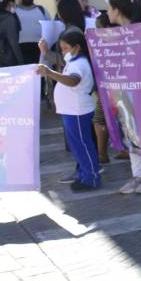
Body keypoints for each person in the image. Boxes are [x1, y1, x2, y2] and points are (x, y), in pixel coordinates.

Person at [106, 0, 141, 195]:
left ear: (117, 10)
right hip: (120, 89)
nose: (108, 13)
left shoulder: (138, 31)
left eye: (110, 9)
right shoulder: (114, 33)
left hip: (136, 88)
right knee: (129, 132)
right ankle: (137, 174)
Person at [37, 29, 100, 192]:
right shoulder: (75, 61)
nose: (63, 52)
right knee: (77, 145)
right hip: (71, 110)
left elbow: (73, 81)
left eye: (65, 48)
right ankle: (83, 174)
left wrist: (50, 72)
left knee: (83, 145)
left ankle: (91, 178)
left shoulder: (79, 63)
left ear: (76, 47)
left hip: (78, 110)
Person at [14, 0, 49, 65]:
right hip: (21, 47)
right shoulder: (14, 11)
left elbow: (49, 26)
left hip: (40, 46)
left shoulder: (41, 9)